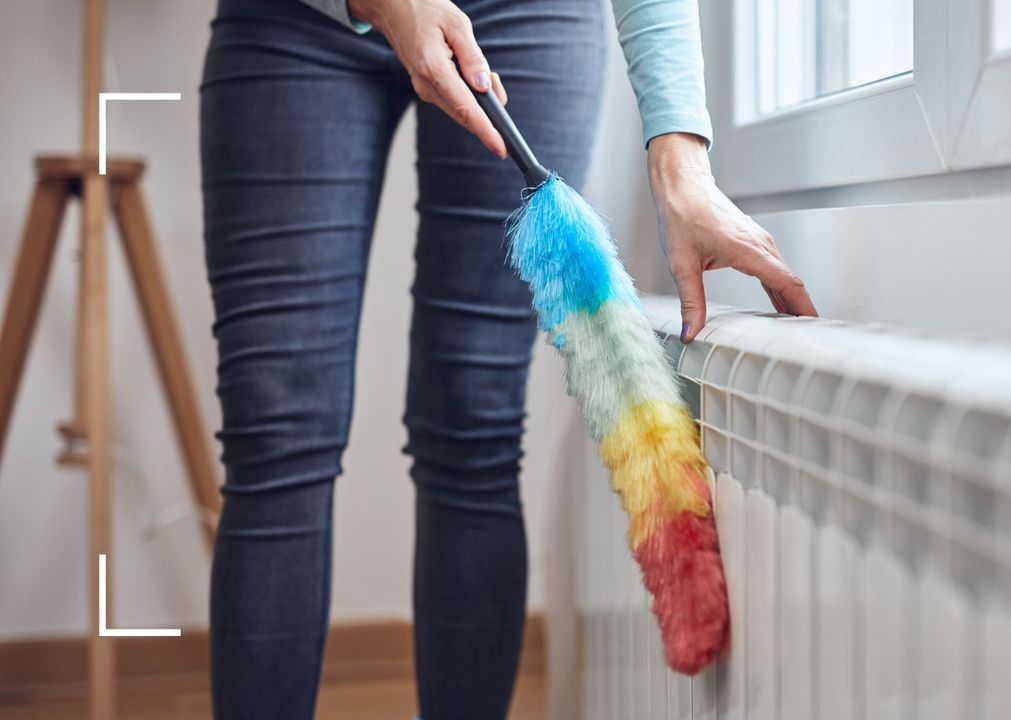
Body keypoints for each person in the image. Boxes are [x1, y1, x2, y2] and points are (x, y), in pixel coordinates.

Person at [200, 0, 816, 717]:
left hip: (527, 16)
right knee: (277, 434)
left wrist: (682, 162)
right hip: (295, 22)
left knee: (473, 426)